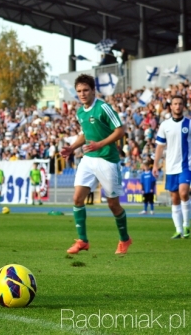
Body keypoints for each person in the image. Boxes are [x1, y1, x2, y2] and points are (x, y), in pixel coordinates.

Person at [60, 74, 132, 255]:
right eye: (79, 91)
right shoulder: (80, 111)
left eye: (85, 90)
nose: (82, 94)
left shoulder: (103, 108)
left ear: (93, 91)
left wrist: (100, 144)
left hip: (108, 160)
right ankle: (82, 240)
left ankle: (125, 239)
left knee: (113, 205)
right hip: (89, 159)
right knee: (77, 198)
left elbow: (121, 130)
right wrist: (72, 148)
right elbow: (85, 133)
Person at [152, 95, 191, 238]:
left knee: (184, 193)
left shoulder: (189, 124)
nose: (178, 106)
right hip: (171, 167)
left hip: (186, 165)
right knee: (175, 199)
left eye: (180, 104)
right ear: (171, 106)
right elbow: (160, 147)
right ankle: (179, 230)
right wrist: (155, 164)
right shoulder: (165, 125)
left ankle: (187, 226)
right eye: (175, 104)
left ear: (183, 106)